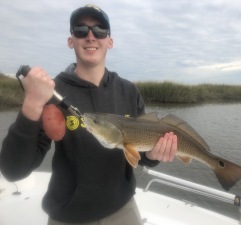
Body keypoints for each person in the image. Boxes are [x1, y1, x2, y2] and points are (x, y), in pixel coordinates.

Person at [0, 4, 177, 225]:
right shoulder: (50, 93)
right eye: (81, 30)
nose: (91, 37)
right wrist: (32, 103)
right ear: (70, 40)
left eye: (100, 30)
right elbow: (13, 171)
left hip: (123, 207)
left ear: (110, 41)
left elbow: (141, 158)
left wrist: (154, 156)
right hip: (69, 215)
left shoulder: (129, 91)